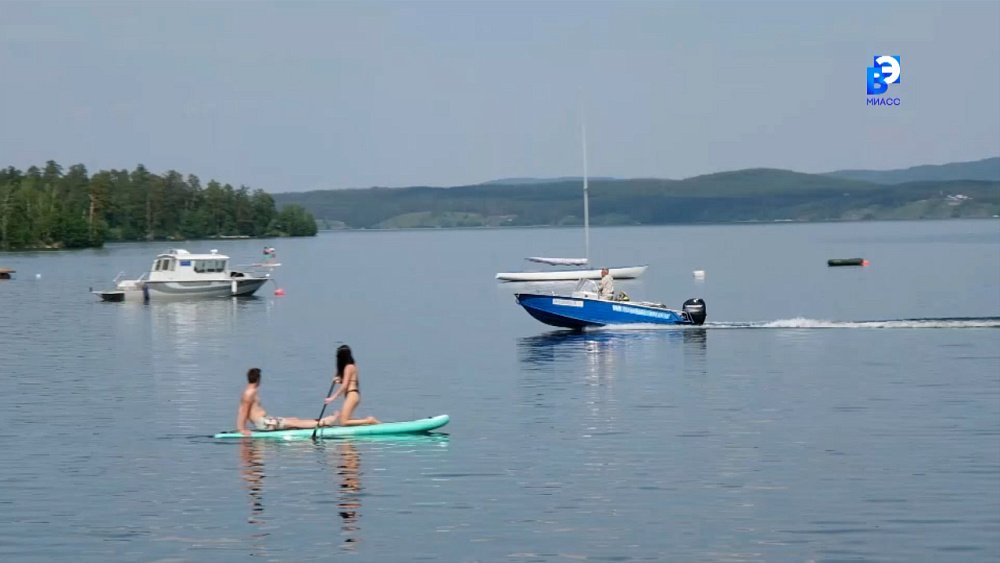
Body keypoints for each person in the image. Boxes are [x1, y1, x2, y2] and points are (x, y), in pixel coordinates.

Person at [237, 367, 339, 436]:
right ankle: (324, 422)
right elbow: (243, 412)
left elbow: (242, 410)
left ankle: (319, 421)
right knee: (293, 422)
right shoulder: (249, 393)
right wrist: (242, 430)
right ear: (258, 379)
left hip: (266, 421)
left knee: (294, 419)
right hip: (264, 424)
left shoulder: (249, 391)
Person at [324, 345, 380, 426]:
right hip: (353, 395)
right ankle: (366, 423)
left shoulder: (348, 367)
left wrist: (332, 398)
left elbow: (345, 385)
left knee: (343, 422)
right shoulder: (352, 365)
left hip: (352, 395)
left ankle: (369, 420)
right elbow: (348, 381)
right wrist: (338, 380)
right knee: (345, 419)